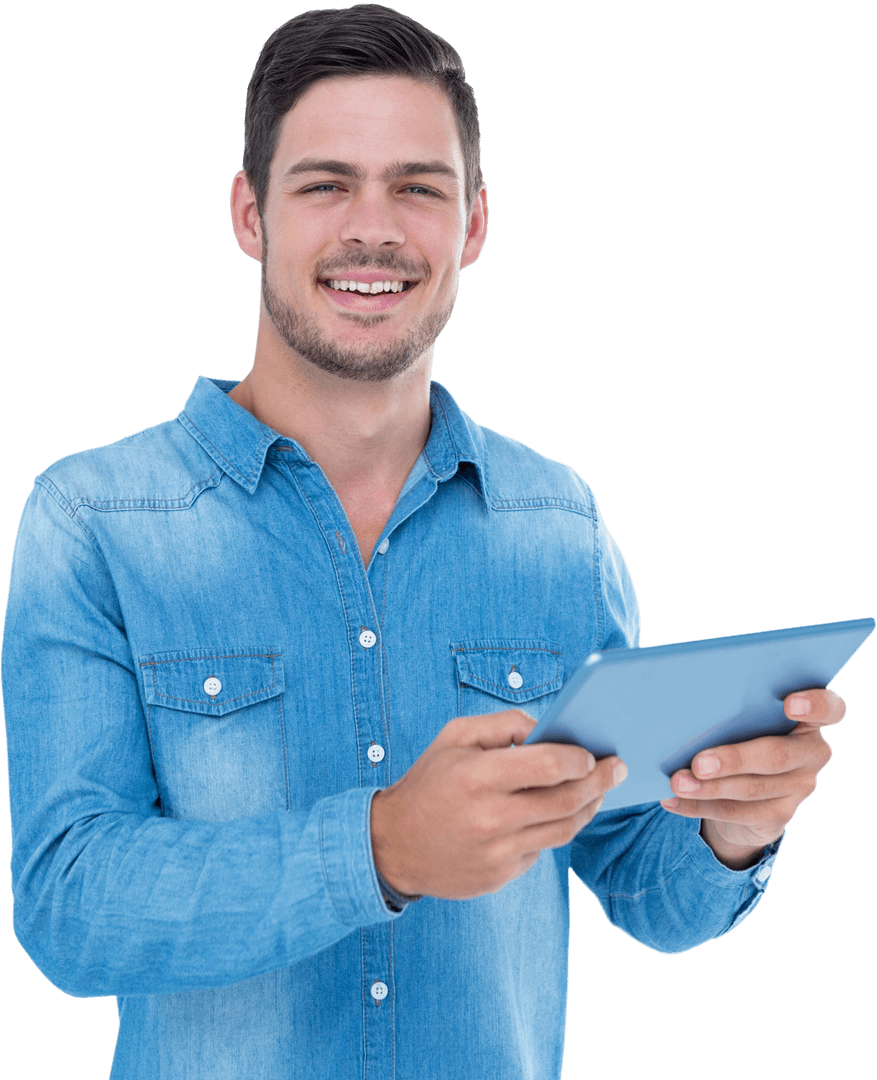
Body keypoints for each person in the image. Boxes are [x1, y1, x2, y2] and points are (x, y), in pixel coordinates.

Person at [2, 5, 844, 1078]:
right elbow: (69, 907)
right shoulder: (93, 520)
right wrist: (380, 847)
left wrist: (733, 826)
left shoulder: (555, 525)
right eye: (325, 185)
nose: (375, 230)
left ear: (473, 224)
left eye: (418, 187)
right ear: (250, 215)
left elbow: (642, 886)